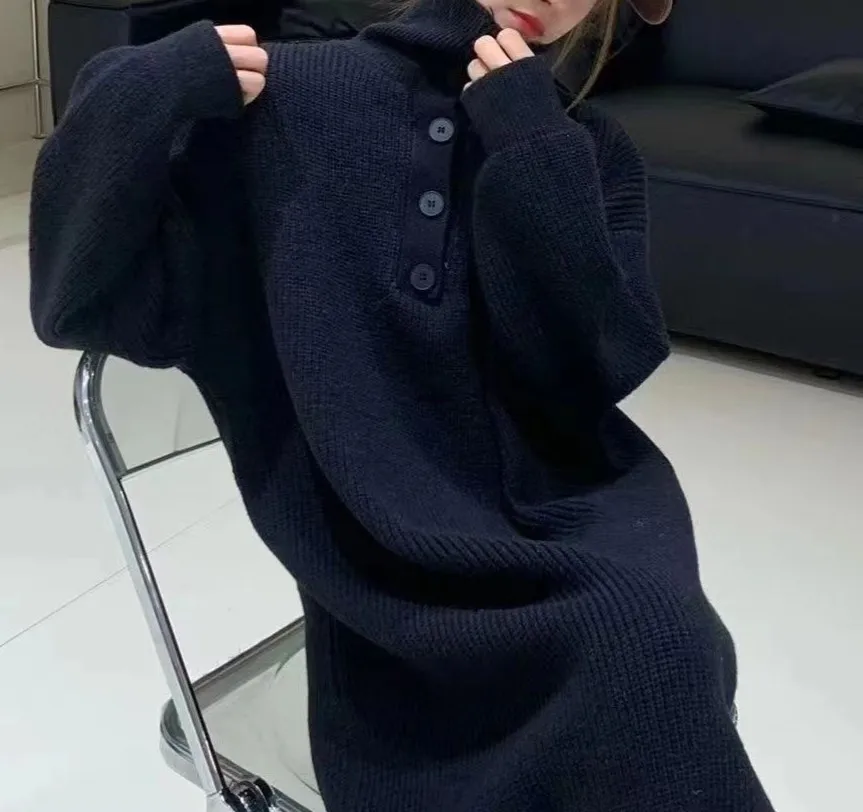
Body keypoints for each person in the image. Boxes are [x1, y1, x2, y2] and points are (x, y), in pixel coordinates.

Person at [29, 0, 773, 809]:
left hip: (579, 509)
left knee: (663, 643)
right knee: (638, 655)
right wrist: (133, 92)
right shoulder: (286, 100)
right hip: (390, 574)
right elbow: (78, 304)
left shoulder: (585, 146)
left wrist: (531, 152)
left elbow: (594, 375)